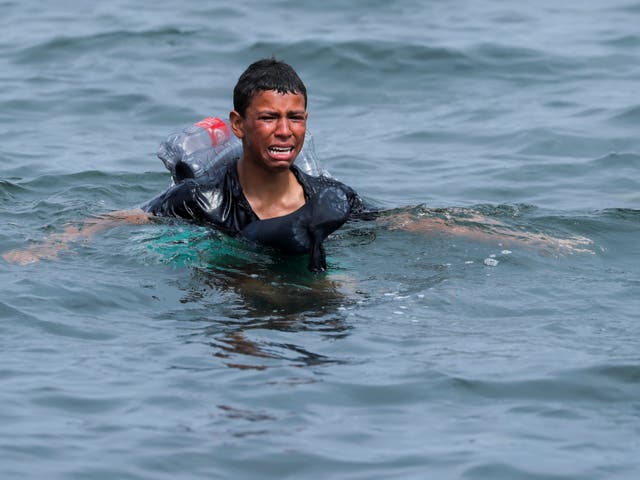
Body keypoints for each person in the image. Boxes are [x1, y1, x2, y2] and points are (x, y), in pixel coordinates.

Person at [1, 58, 592, 269]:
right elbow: (122, 219)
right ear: (238, 124)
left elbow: (406, 221)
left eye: (297, 118)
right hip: (225, 262)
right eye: (268, 118)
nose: (286, 132)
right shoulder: (201, 200)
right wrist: (44, 248)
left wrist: (530, 240)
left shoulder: (330, 197)